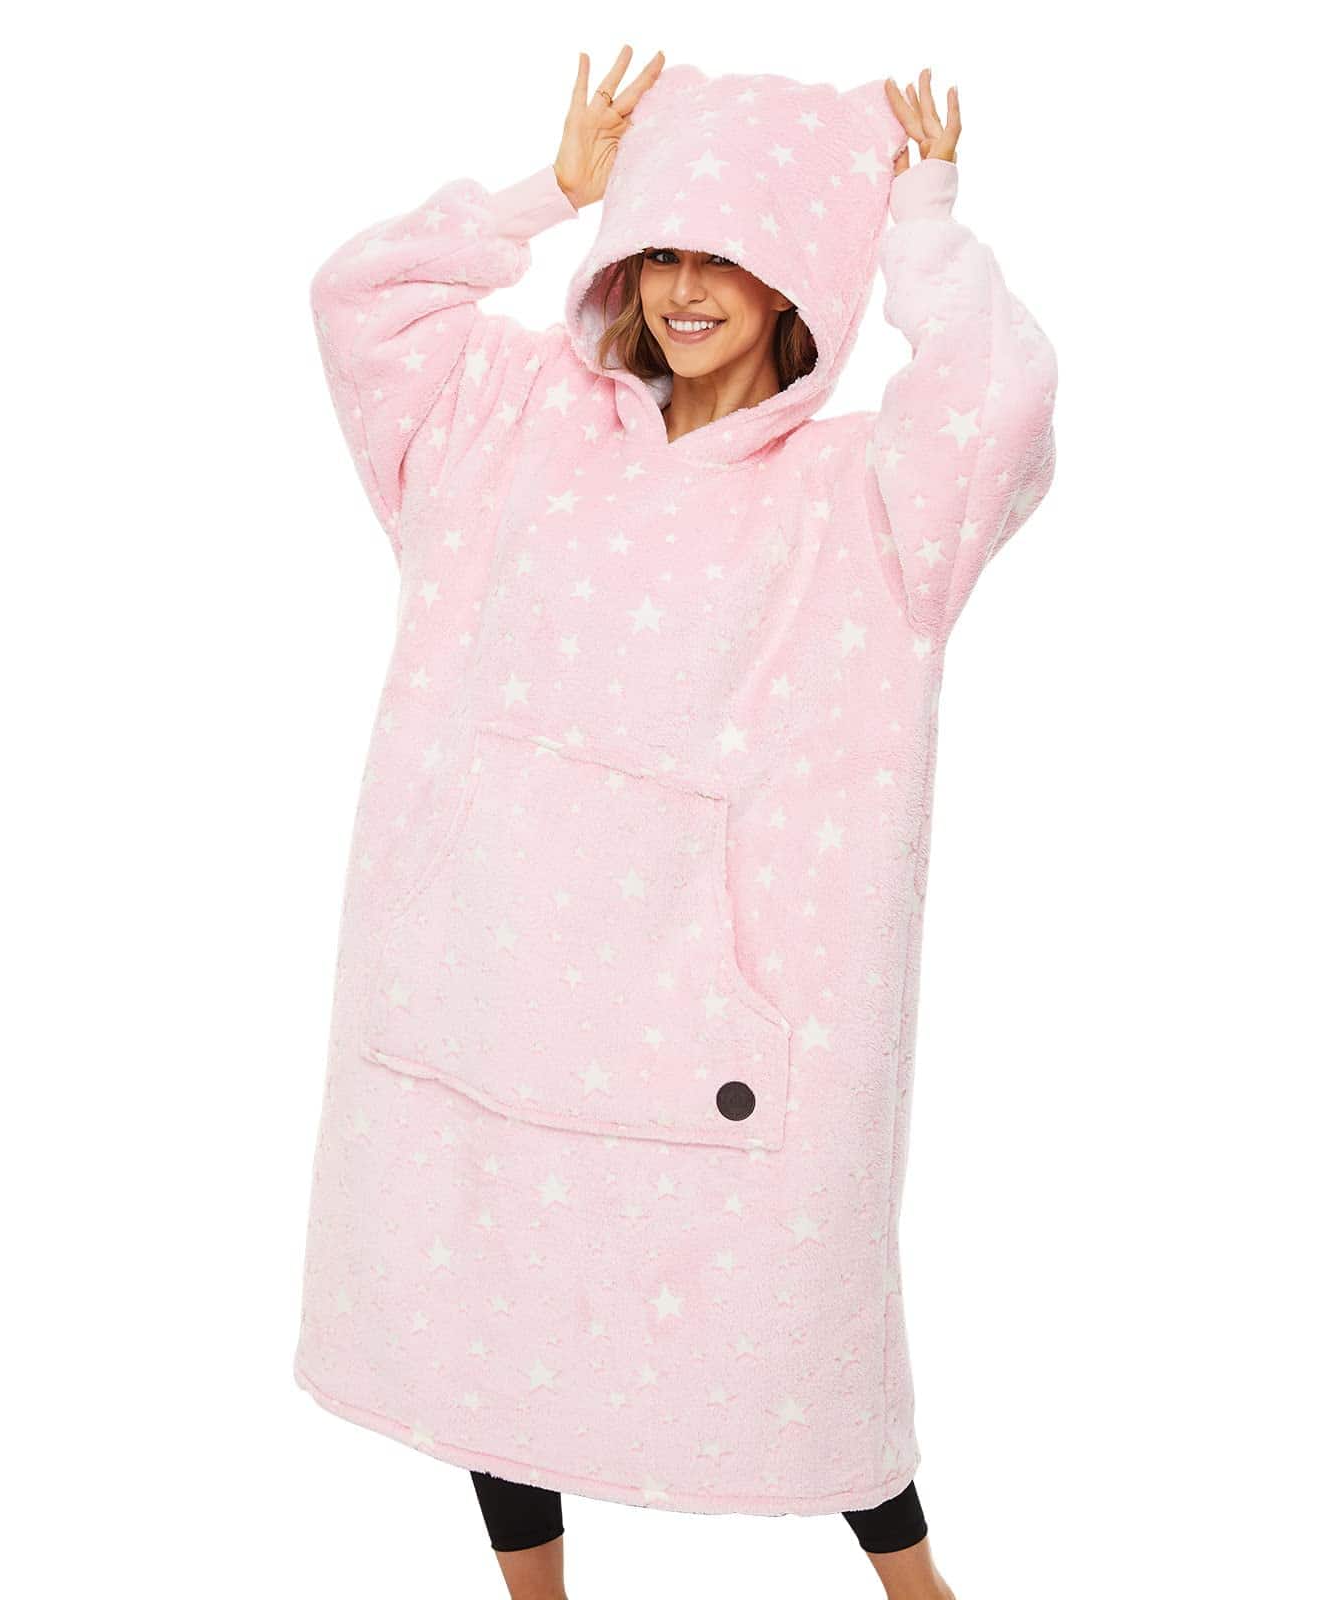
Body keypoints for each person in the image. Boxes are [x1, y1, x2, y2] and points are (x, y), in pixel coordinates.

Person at [294, 46, 1056, 1600]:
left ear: (798, 285)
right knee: (492, 1306)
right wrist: (550, 192)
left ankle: (921, 1588)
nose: (687, 290)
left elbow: (997, 411)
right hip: (494, 975)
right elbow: (359, 302)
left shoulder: (868, 499)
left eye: (731, 256)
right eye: (660, 253)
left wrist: (920, 232)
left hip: (730, 1024)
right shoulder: (506, 420)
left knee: (800, 1333)